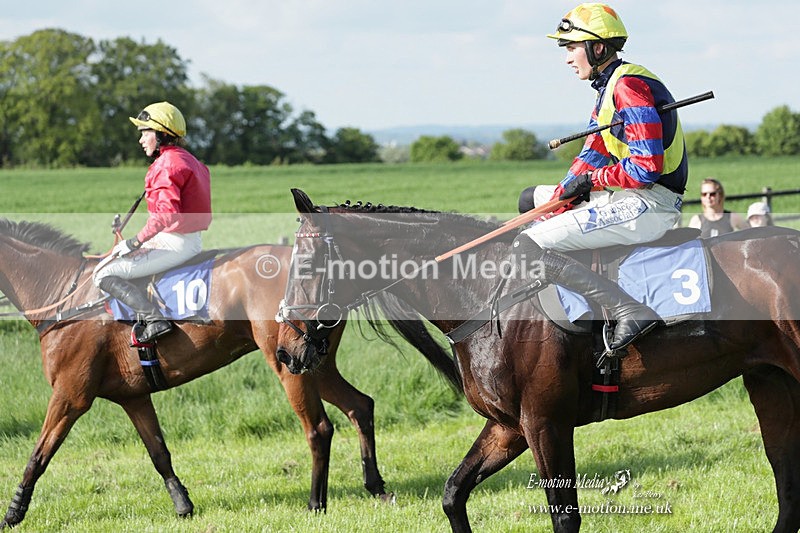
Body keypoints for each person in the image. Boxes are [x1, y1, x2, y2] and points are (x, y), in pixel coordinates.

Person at [515, 3, 688, 351]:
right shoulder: (607, 88)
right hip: (631, 195)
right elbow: (592, 154)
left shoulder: (628, 87)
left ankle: (629, 310)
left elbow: (646, 168)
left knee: (528, 245)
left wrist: (593, 182)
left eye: (571, 48)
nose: (567, 58)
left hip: (650, 204)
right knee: (529, 199)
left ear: (597, 48)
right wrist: (561, 198)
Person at [93, 102, 212, 343]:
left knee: (103, 273)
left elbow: (166, 216)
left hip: (174, 242)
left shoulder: (167, 164)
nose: (141, 140)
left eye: (145, 133)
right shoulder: (189, 159)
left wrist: (135, 242)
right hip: (184, 239)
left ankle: (154, 320)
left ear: (161, 134)